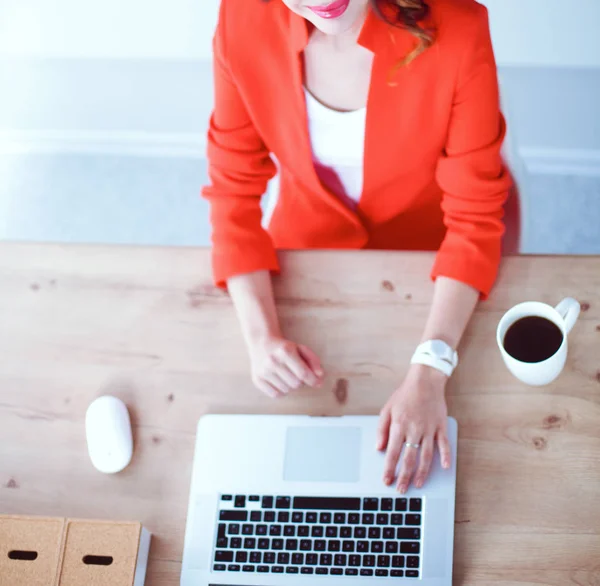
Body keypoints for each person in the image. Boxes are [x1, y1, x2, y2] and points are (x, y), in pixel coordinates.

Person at [202, 0, 512, 492]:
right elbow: (232, 190)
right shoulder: (241, 17)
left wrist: (431, 369)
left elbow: (474, 218)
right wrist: (260, 335)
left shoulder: (460, 27)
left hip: (429, 252)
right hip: (308, 249)